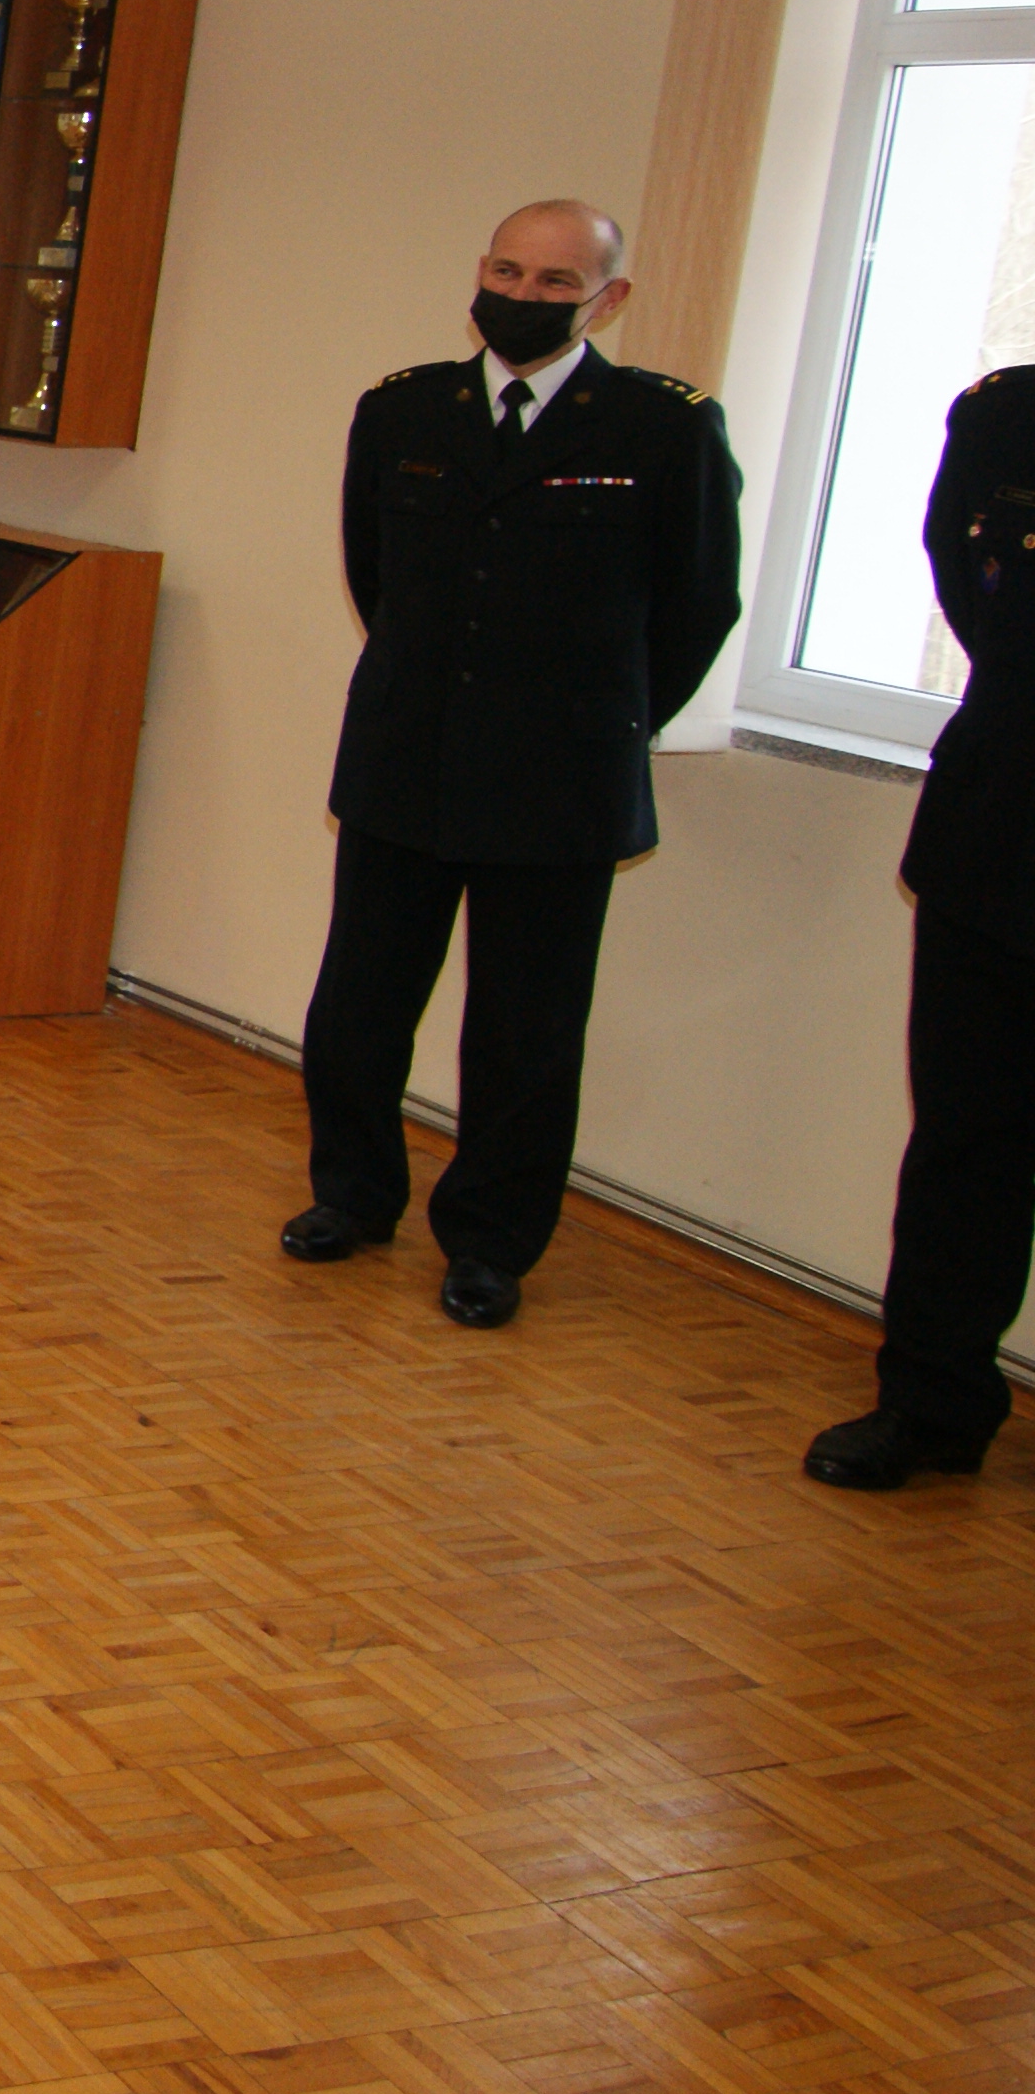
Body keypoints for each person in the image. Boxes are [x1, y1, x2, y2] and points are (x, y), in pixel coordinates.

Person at [286, 198, 742, 1329]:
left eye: (554, 283)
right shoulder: (402, 411)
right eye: (506, 272)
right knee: (357, 1007)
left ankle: (489, 1243)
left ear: (607, 300)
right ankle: (351, 1196)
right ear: (479, 272)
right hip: (407, 756)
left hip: (561, 780)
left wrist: (606, 723)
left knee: (524, 1033)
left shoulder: (663, 428)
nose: (522, 297)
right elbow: (374, 572)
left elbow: (696, 605)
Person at [807, 365, 1035, 1489]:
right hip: (996, 835)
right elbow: (970, 589)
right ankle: (932, 1403)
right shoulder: (1004, 417)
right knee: (962, 1146)